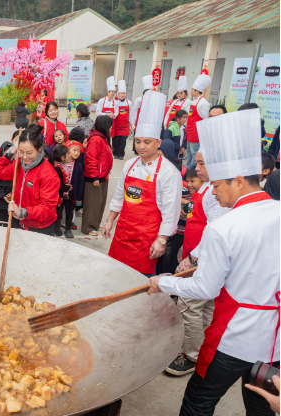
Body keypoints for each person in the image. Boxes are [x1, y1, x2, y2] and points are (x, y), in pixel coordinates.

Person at [148, 108, 280, 416]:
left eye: (217, 185)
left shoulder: (225, 226)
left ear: (237, 180)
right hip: (274, 339)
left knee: (198, 401)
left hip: (236, 335)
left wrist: (162, 281)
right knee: (261, 403)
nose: (214, 192)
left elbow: (206, 287)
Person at [166, 150, 231, 376]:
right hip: (196, 254)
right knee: (205, 308)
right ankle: (204, 350)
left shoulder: (216, 194)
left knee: (188, 305)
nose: (197, 168)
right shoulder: (206, 189)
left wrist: (192, 259)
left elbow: (215, 231)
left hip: (203, 260)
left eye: (202, 164)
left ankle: (191, 356)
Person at [103, 91, 182, 276]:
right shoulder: (130, 165)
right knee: (116, 276)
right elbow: (118, 197)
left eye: (147, 142)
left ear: (159, 142)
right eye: (138, 141)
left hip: (147, 239)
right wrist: (110, 221)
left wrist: (161, 240)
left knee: (139, 284)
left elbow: (171, 211)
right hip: (123, 234)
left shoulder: (169, 172)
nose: (141, 146)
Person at [0, 124, 60, 235]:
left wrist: (23, 212)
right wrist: (11, 151)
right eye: (21, 152)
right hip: (22, 222)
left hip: (40, 227)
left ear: (39, 149)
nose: (25, 157)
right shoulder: (19, 163)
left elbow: (48, 209)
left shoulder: (48, 174)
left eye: (29, 153)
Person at [81, 116, 114, 236]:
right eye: (109, 127)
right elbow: (91, 159)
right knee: (92, 203)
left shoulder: (102, 138)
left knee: (100, 202)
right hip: (95, 178)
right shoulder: (96, 139)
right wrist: (94, 176)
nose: (111, 129)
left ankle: (95, 224)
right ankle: (88, 227)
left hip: (103, 176)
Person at [53, 144, 83, 239]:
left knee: (70, 212)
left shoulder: (78, 165)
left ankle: (68, 228)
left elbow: (80, 182)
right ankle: (57, 228)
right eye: (74, 150)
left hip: (71, 194)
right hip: (60, 195)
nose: (77, 153)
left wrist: (78, 195)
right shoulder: (59, 166)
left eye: (78, 151)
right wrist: (65, 188)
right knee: (58, 213)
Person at [184, 74, 212, 168]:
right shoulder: (193, 102)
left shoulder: (204, 103)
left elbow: (204, 120)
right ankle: (187, 171)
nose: (191, 91)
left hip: (196, 134)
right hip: (190, 132)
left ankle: (193, 171)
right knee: (189, 153)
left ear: (196, 91)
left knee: (194, 154)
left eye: (192, 89)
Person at [112, 80, 133, 160]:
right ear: (118, 94)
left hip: (125, 125)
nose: (123, 95)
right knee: (115, 140)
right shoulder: (115, 102)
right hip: (116, 124)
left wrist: (132, 123)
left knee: (123, 141)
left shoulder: (129, 103)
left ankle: (121, 154)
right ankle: (115, 153)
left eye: (124, 93)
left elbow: (131, 114)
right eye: (121, 93)